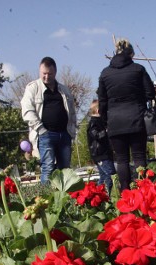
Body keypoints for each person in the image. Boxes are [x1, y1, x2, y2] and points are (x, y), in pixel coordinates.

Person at [97, 38, 155, 190]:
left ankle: (125, 195)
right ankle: (144, 191)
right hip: (136, 118)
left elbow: (102, 101)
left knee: (122, 160)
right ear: (131, 54)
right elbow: (150, 92)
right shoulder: (138, 69)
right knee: (139, 156)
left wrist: (106, 120)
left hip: (115, 121)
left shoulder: (105, 73)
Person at [21, 56, 77, 184]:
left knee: (65, 170)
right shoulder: (33, 88)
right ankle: (45, 200)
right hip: (45, 134)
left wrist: (72, 130)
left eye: (49, 74)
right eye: (43, 73)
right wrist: (41, 129)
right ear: (40, 71)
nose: (46, 77)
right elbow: (27, 110)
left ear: (55, 72)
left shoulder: (64, 90)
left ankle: (64, 198)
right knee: (48, 167)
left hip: (64, 134)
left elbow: (72, 111)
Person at [87, 99, 116, 193]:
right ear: (98, 111)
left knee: (103, 175)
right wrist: (106, 131)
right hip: (100, 154)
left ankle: (99, 193)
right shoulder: (93, 123)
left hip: (104, 153)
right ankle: (107, 192)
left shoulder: (101, 122)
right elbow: (96, 135)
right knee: (110, 174)